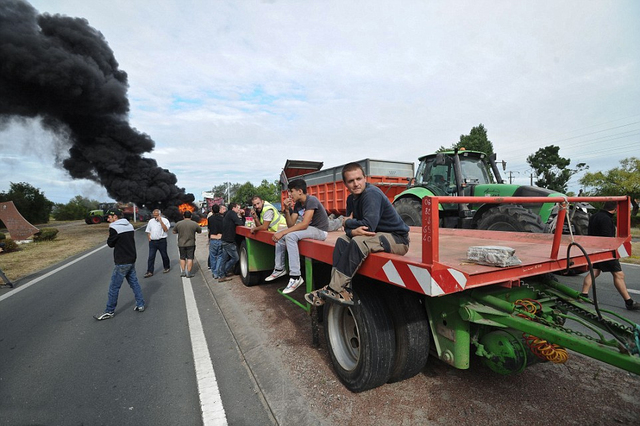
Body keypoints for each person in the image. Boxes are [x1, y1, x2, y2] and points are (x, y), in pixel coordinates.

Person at [305, 162, 410, 306]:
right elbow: (349, 230)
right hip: (376, 235)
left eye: (359, 179)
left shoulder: (371, 194)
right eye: (351, 181)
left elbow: (368, 225)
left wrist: (347, 223)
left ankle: (333, 288)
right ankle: (342, 289)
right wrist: (350, 229)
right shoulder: (351, 199)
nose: (356, 184)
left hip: (397, 239)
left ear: (365, 178)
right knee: (342, 241)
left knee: (359, 242)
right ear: (345, 184)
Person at [265, 179, 330, 294]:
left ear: (300, 191)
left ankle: (296, 276)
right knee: (279, 235)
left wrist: (284, 232)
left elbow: (304, 224)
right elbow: (291, 224)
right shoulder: (299, 204)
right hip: (310, 229)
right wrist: (286, 210)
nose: (289, 194)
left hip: (320, 231)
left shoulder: (311, 200)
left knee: (289, 236)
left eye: (291, 191)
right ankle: (279, 268)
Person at [581, 201, 639, 310]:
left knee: (595, 271)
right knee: (619, 275)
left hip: (595, 249)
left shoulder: (594, 216)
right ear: (616, 209)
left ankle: (583, 294)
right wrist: (615, 250)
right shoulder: (606, 219)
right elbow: (607, 237)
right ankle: (629, 302)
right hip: (606, 250)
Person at [94, 209, 145, 320]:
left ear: (115, 217)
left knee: (114, 287)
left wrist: (110, 231)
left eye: (109, 217)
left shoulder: (114, 227)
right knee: (134, 283)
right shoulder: (130, 225)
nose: (108, 219)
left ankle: (109, 311)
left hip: (122, 261)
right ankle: (140, 304)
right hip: (131, 258)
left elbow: (110, 244)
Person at [219, 203, 244, 282]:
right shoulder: (232, 213)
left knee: (224, 258)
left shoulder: (227, 214)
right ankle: (223, 272)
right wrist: (242, 216)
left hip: (224, 239)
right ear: (233, 208)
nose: (238, 209)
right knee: (235, 258)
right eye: (237, 208)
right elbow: (240, 223)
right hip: (229, 240)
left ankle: (221, 275)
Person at [172, 210, 202, 278]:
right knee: (190, 258)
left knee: (182, 258)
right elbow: (199, 231)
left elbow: (174, 231)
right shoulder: (194, 223)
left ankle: (183, 271)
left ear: (183, 216)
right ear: (191, 216)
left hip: (181, 244)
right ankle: (188, 272)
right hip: (191, 244)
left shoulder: (179, 223)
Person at [143, 209, 171, 277]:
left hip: (162, 241)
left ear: (160, 214)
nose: (155, 217)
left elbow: (166, 229)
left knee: (164, 255)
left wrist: (161, 221)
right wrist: (149, 238)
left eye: (157, 215)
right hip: (153, 242)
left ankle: (166, 267)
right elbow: (148, 230)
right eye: (154, 215)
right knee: (151, 257)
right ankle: (150, 271)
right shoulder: (151, 221)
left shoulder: (165, 220)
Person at [208, 204, 225, 279]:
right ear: (219, 210)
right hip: (221, 239)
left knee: (213, 257)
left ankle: (214, 272)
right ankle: (218, 272)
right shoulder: (223, 219)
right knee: (220, 256)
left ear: (212, 210)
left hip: (213, 239)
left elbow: (209, 229)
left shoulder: (210, 219)